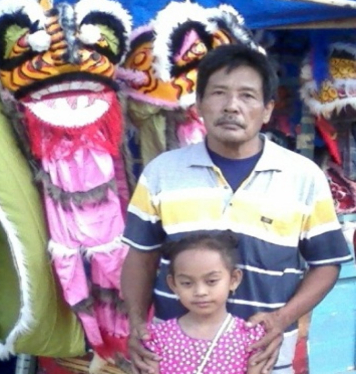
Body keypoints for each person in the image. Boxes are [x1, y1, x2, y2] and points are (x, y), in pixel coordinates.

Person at [121, 44, 353, 374]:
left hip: (265, 358)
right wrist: (135, 324)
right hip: (173, 359)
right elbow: (140, 257)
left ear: (268, 109)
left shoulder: (304, 177)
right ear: (199, 104)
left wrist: (281, 319)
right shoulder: (162, 172)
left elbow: (326, 264)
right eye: (219, 93)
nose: (232, 106)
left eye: (247, 96)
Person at [142, 232, 265, 374]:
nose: (200, 292)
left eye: (211, 281)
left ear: (234, 279)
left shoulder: (252, 338)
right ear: (173, 284)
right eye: (187, 283)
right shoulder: (157, 338)